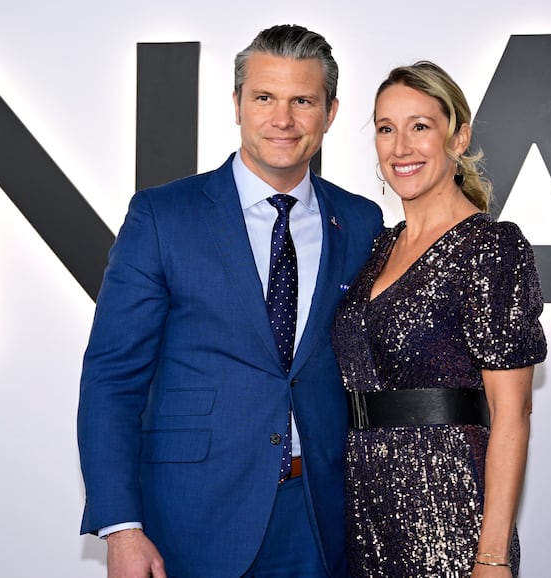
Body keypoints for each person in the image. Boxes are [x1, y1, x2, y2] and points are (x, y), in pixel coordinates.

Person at [77, 24, 383, 578]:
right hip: (190, 518)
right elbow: (112, 377)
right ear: (237, 103)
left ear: (330, 113)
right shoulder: (162, 216)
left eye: (303, 101)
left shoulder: (361, 221)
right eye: (264, 97)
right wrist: (122, 527)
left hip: (320, 517)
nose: (282, 119)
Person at [331, 61, 547, 577]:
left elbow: (512, 413)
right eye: (386, 129)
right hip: (363, 509)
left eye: (420, 127)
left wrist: (491, 557)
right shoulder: (376, 247)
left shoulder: (490, 247)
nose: (400, 147)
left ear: (459, 137)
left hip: (448, 510)